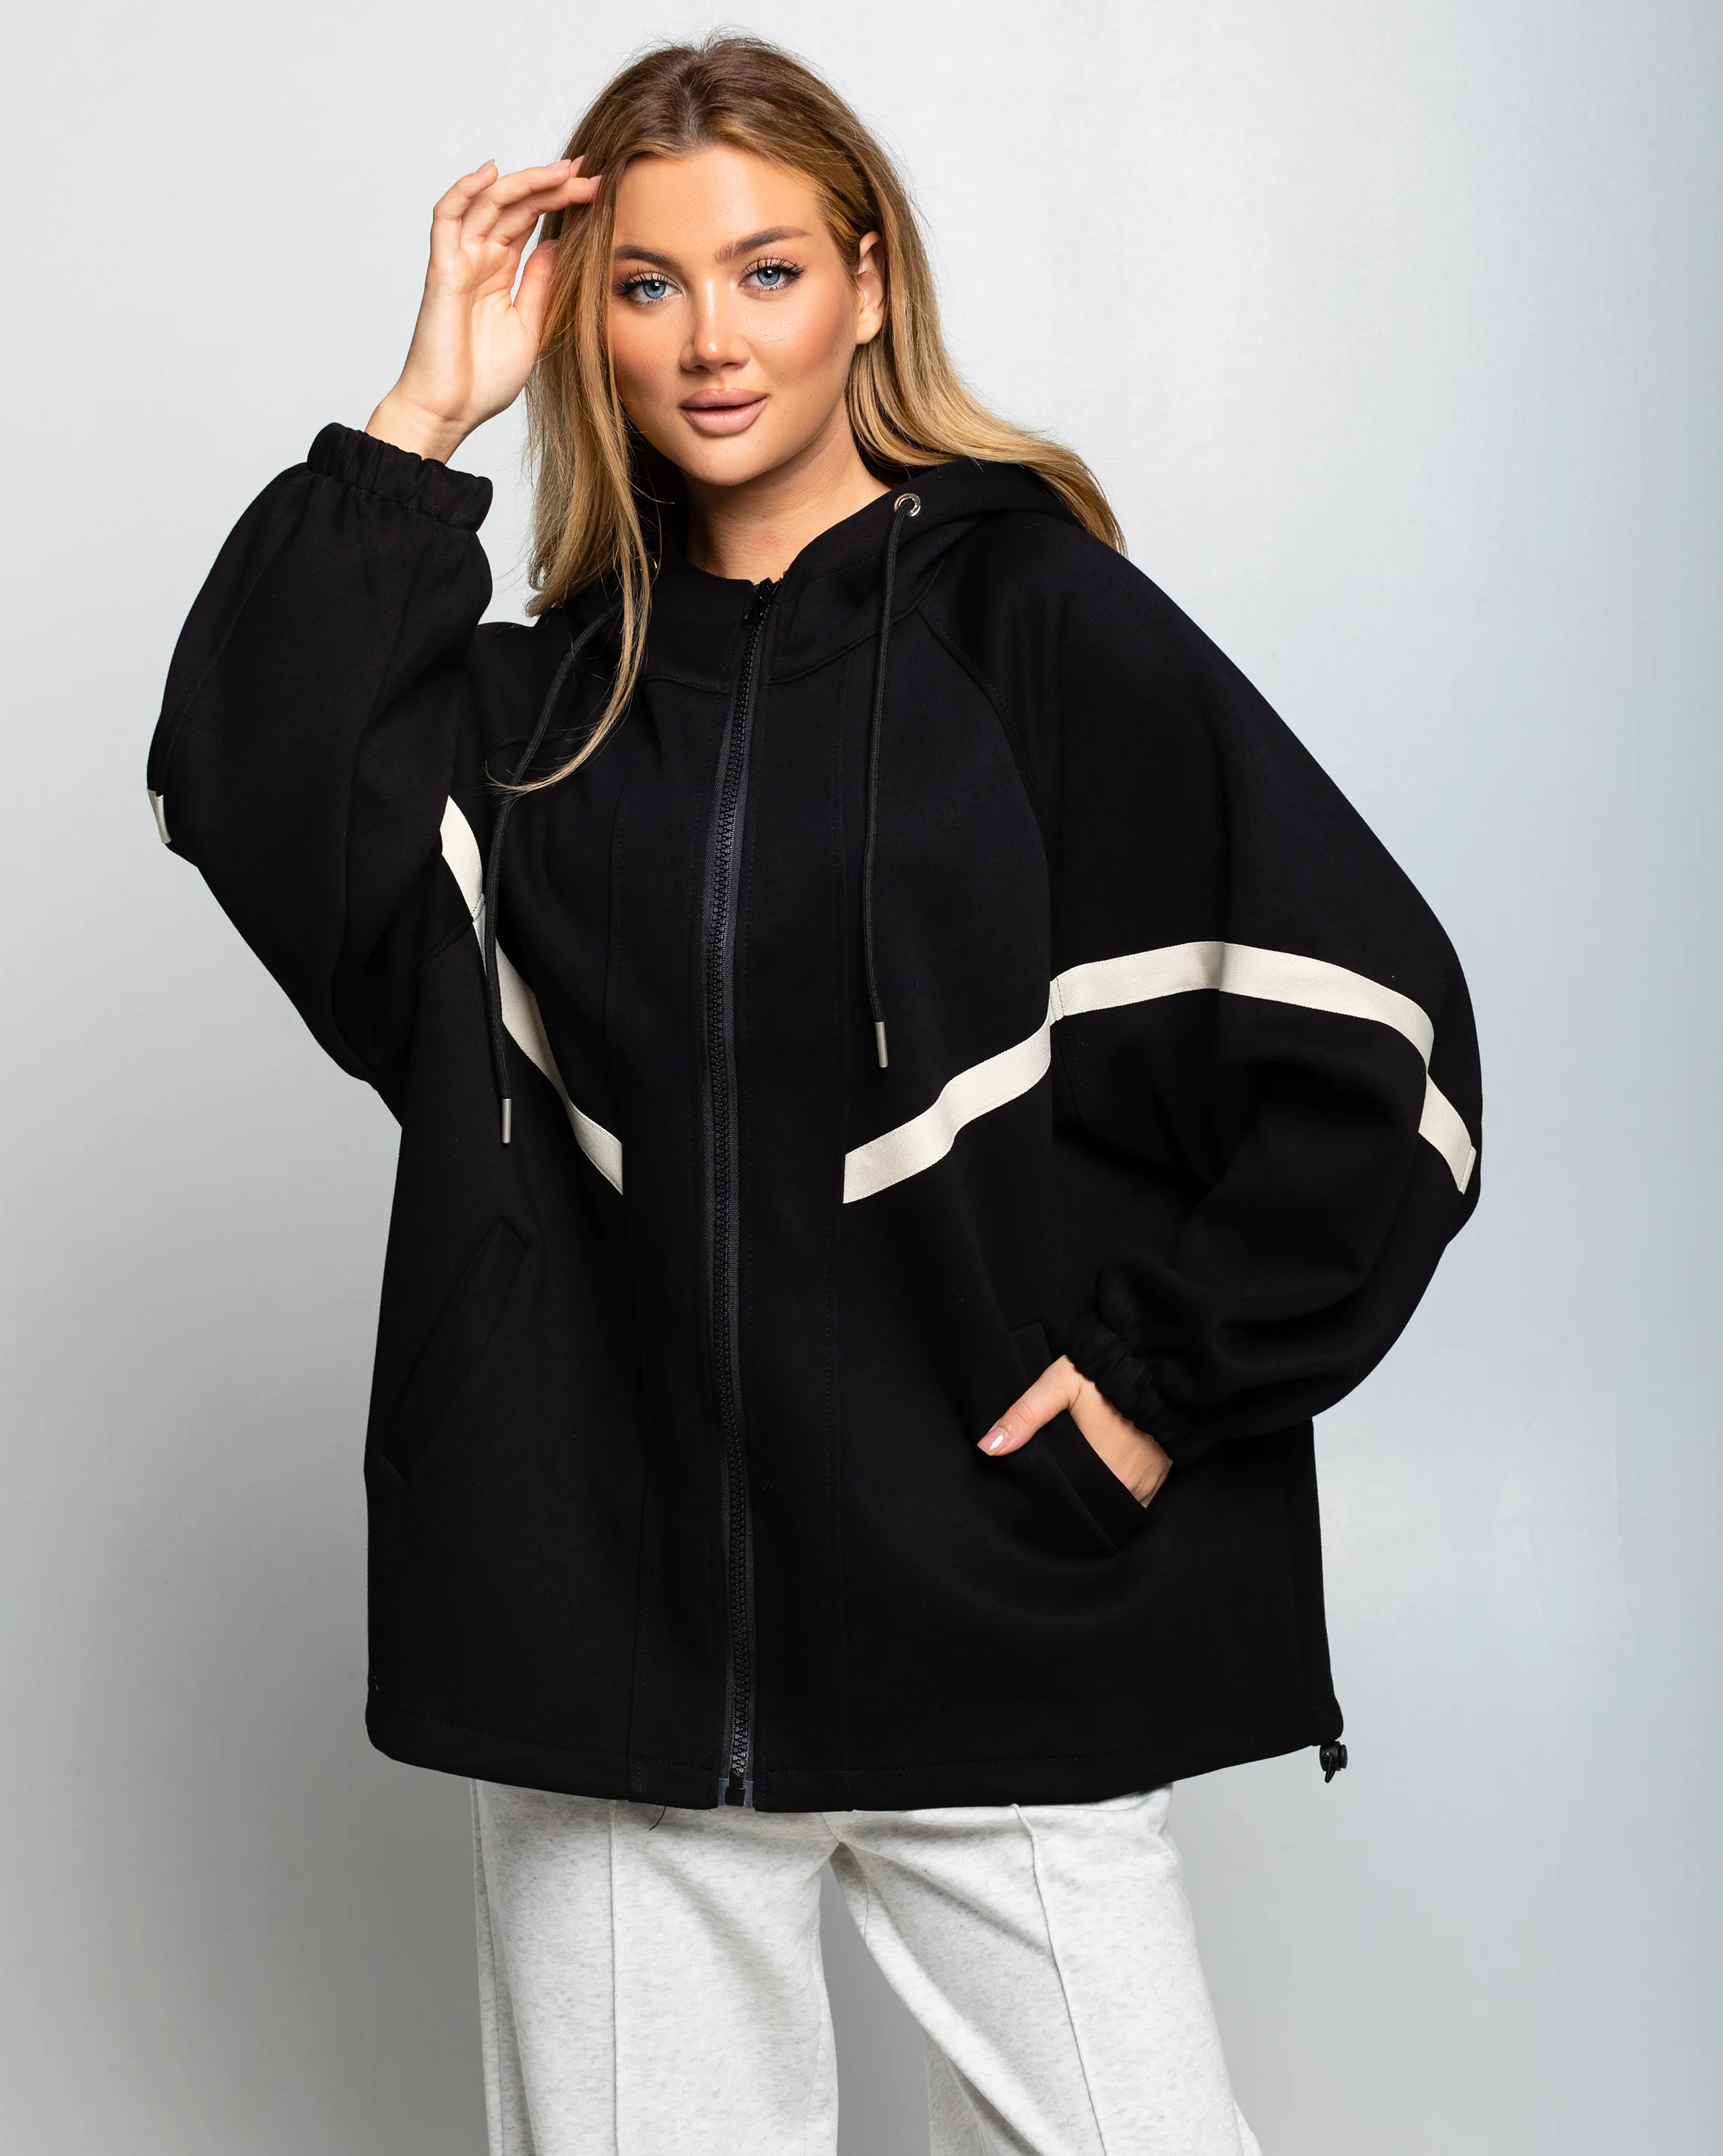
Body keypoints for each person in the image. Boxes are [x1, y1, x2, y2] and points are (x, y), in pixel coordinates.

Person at [147, 33, 1480, 2156]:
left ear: (867, 282)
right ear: (587, 320)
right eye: (648, 284)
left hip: (996, 1592)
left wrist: (1158, 1386)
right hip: (611, 1641)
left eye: (767, 270)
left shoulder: (1032, 623)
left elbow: (1375, 1038)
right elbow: (246, 783)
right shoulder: (545, 704)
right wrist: (419, 421)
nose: (712, 339)